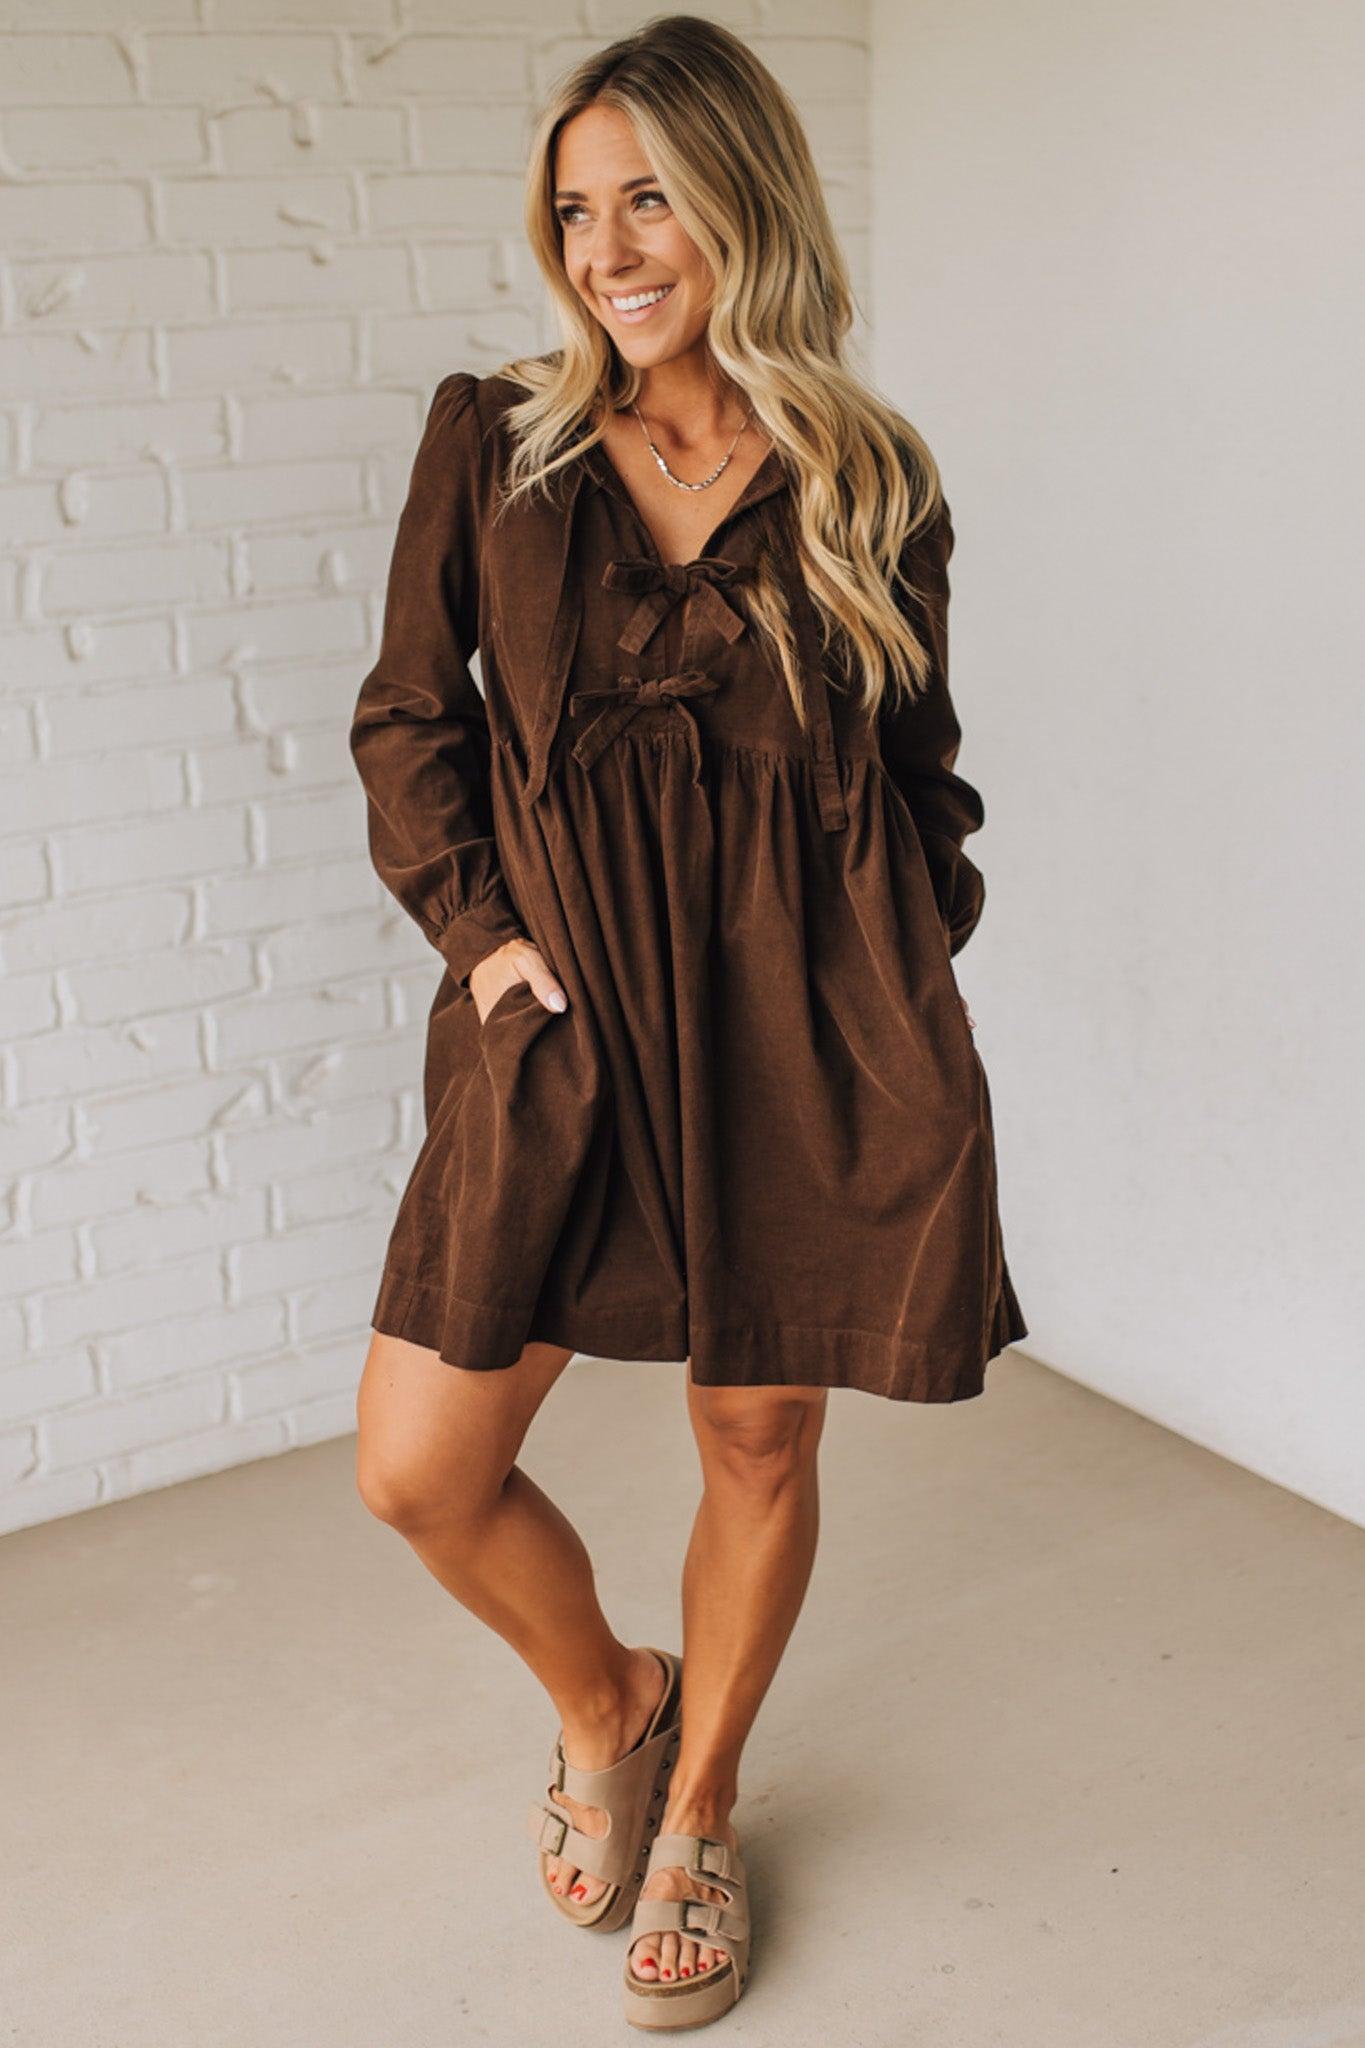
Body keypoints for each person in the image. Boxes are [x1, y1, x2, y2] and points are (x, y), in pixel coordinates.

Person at [348, 13, 1027, 2029]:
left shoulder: (865, 474)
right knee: (420, 1464)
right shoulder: (497, 436)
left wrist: (891, 979)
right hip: (556, 1020)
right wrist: (480, 937)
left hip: (790, 1040)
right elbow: (409, 721)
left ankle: (703, 1801)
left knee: (749, 1432)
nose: (605, 244)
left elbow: (921, 782)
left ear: (743, 198)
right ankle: (607, 1698)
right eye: (572, 206)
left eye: (645, 193)